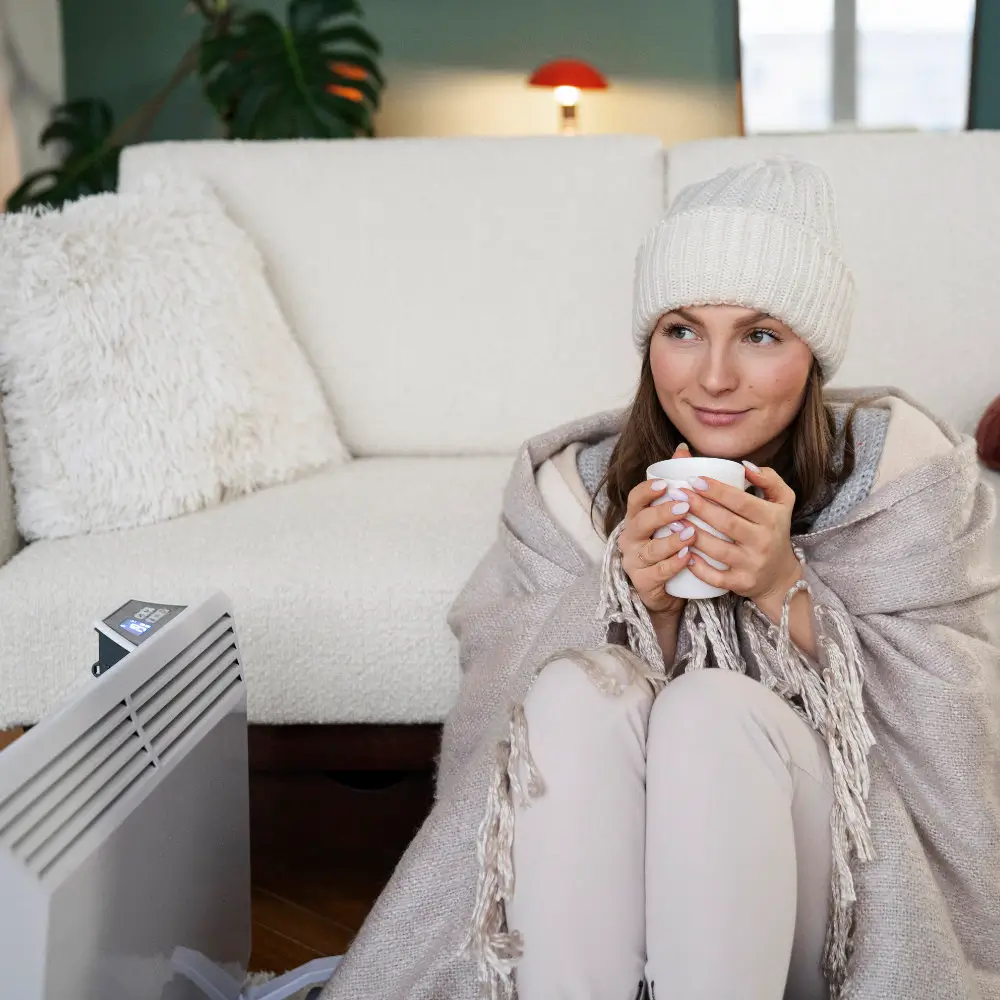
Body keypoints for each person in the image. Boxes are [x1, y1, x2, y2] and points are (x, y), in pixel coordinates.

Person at [319, 159, 1000, 1000]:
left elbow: (957, 734)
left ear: (812, 351)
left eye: (759, 335)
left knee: (712, 710)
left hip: (835, 882)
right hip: (604, 895)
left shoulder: (900, 473)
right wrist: (631, 603)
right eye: (682, 330)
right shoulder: (573, 488)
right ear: (649, 343)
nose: (713, 377)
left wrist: (783, 587)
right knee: (574, 691)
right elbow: (492, 709)